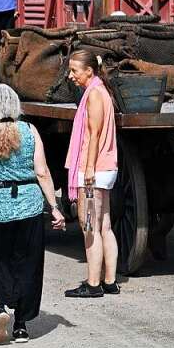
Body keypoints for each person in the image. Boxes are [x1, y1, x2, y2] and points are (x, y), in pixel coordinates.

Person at [0, 84, 64, 342]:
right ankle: (21, 325)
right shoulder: (30, 130)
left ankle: (0, 306)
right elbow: (42, 172)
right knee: (27, 264)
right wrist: (54, 207)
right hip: (28, 206)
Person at [63, 50, 119, 298]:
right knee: (104, 225)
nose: (71, 75)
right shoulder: (99, 91)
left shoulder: (95, 94)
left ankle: (94, 283)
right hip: (104, 167)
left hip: (94, 170)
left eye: (75, 70)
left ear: (89, 71)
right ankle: (110, 280)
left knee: (89, 227)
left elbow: (94, 134)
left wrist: (87, 168)